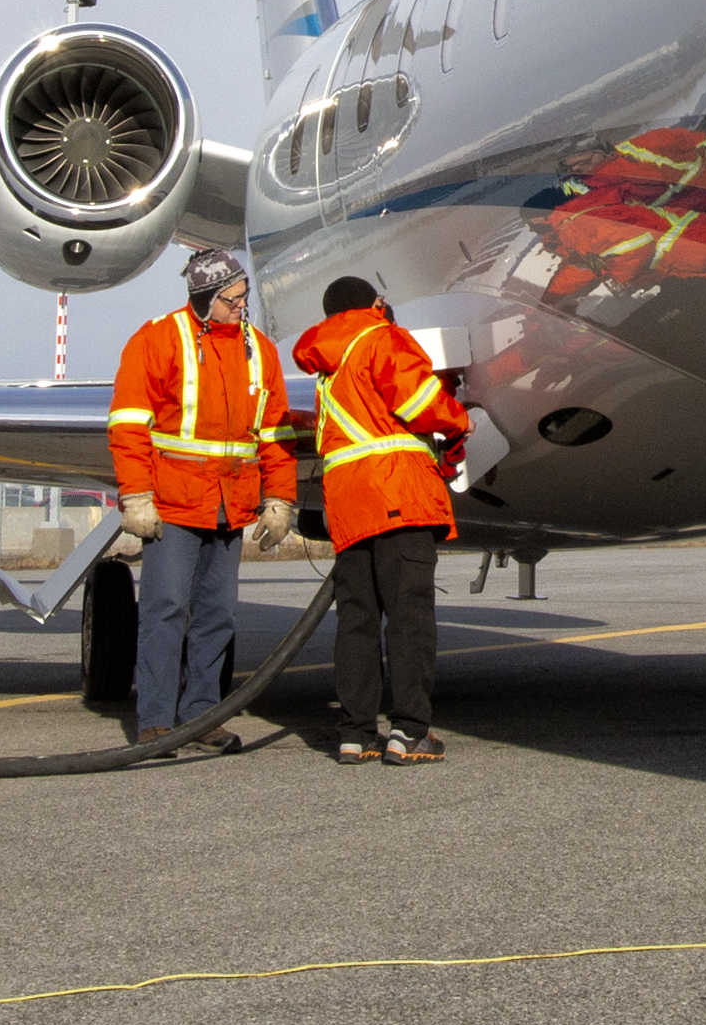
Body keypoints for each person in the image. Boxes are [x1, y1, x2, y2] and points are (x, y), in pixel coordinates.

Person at [103, 247, 296, 746]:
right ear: (205, 299)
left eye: (243, 296)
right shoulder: (158, 339)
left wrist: (280, 498)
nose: (241, 307)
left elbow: (275, 434)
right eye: (232, 300)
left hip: (230, 505)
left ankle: (202, 716)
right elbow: (128, 424)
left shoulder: (260, 350)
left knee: (218, 615)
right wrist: (136, 496)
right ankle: (156, 721)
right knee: (165, 609)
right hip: (174, 504)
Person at [288, 275, 473, 763]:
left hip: (349, 508)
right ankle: (410, 730)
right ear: (371, 305)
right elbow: (418, 403)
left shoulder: (329, 365)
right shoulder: (380, 338)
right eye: (382, 300)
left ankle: (355, 732)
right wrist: (459, 418)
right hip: (399, 497)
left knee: (358, 620)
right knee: (409, 618)